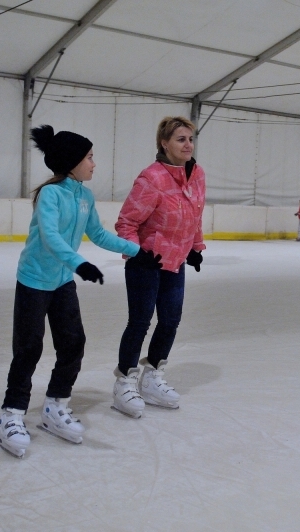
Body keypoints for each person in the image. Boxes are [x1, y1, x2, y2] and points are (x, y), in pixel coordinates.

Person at [0, 125, 161, 458]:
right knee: (29, 348)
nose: (93, 164)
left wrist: (136, 250)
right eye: (89, 157)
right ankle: (11, 413)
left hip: (61, 282)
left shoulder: (84, 196)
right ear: (71, 161)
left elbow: (98, 234)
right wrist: (79, 263)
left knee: (73, 343)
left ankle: (56, 405)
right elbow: (50, 237)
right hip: (34, 280)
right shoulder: (50, 194)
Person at [113, 116, 206, 418]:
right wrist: (135, 251)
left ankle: (152, 376)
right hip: (147, 262)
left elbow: (195, 215)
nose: (188, 144)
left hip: (175, 261)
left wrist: (195, 247)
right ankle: (125, 382)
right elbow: (126, 222)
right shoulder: (151, 178)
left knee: (170, 321)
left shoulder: (197, 175)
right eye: (181, 139)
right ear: (164, 144)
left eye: (190, 139)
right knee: (140, 323)